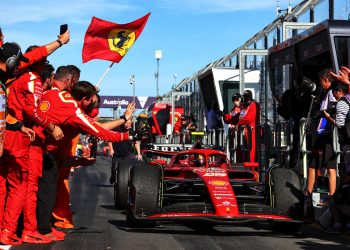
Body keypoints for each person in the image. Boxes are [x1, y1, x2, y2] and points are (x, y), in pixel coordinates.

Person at [36, 81, 134, 240]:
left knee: (43, 190)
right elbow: (101, 132)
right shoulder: (74, 111)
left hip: (41, 148)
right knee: (45, 192)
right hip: (42, 151)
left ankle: (40, 226)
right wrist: (128, 136)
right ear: (85, 99)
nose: (94, 109)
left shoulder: (54, 93)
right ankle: (40, 229)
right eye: (93, 102)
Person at [307, 69, 338, 198]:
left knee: (326, 167)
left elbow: (334, 109)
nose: (320, 85)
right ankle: (310, 193)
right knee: (314, 165)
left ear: (326, 80)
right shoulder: (325, 93)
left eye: (321, 82)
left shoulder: (332, 93)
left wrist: (321, 114)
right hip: (322, 133)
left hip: (326, 134)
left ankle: (330, 197)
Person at [108, 119, 142, 184]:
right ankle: (113, 176)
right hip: (116, 153)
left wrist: (139, 153)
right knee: (114, 168)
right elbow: (110, 139)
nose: (128, 125)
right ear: (124, 123)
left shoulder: (132, 132)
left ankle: (127, 182)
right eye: (126, 123)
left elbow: (136, 143)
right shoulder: (117, 129)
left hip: (127, 154)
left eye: (129, 123)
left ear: (131, 124)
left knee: (128, 168)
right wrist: (111, 149)